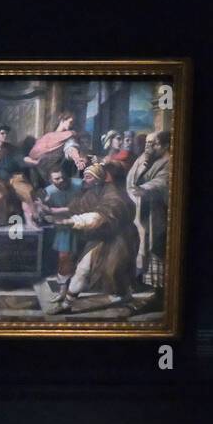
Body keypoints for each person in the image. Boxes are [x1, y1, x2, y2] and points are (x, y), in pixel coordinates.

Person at [40, 163, 139, 314]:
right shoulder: (90, 192)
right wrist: (52, 212)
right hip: (102, 236)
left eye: (88, 176)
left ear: (98, 178)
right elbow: (76, 207)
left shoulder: (112, 193)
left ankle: (124, 294)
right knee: (84, 269)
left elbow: (99, 216)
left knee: (113, 270)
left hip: (120, 238)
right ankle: (67, 304)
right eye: (84, 175)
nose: (84, 179)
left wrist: (70, 222)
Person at [125, 131, 171, 289]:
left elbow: (163, 181)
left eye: (154, 143)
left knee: (154, 247)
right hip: (139, 210)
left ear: (165, 146)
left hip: (156, 213)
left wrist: (143, 189)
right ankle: (138, 280)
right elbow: (131, 179)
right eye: (147, 143)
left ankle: (157, 290)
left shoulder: (168, 161)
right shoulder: (145, 159)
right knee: (138, 245)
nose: (149, 146)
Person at [38, 168, 83, 304]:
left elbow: (86, 203)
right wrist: (45, 212)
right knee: (64, 260)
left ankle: (74, 292)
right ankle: (62, 292)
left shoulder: (80, 184)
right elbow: (42, 211)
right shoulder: (48, 192)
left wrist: (54, 211)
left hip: (84, 226)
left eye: (63, 177)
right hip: (64, 229)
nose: (61, 180)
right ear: (51, 180)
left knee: (83, 260)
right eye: (57, 178)